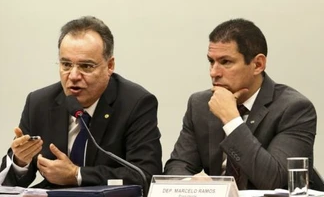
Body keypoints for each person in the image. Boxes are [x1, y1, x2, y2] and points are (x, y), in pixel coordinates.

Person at [0, 16, 162, 195]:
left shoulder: (135, 103)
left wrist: (77, 174)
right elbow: (8, 183)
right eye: (66, 64)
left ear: (109, 66)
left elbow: (146, 175)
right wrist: (20, 161)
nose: (74, 75)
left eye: (86, 66)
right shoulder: (39, 103)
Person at [164, 18, 317, 190]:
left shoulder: (294, 109)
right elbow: (177, 166)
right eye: (211, 61)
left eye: (225, 62)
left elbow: (277, 181)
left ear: (258, 64)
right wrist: (189, 184)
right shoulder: (200, 104)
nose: (214, 72)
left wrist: (231, 120)